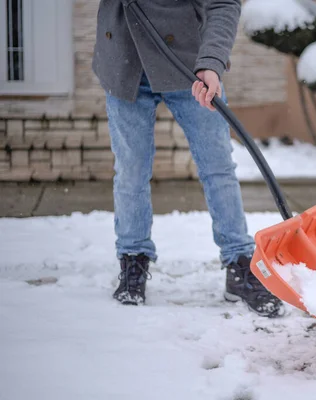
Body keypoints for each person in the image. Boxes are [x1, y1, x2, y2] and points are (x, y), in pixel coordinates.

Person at [91, 0, 283, 318]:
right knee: (131, 171)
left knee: (217, 167)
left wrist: (212, 62)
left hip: (188, 65)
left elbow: (223, 3)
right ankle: (133, 258)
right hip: (124, 64)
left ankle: (238, 263)